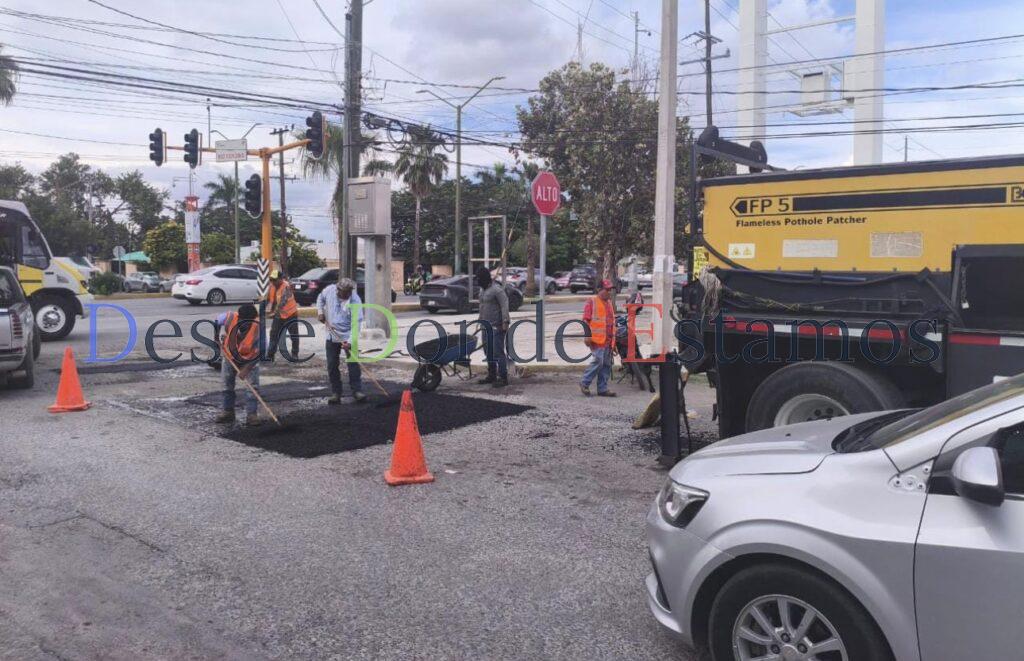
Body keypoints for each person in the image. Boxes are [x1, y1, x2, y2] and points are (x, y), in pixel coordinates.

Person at [317, 276, 366, 404]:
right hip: (332, 334)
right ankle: (336, 392)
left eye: (348, 293)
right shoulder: (329, 290)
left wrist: (350, 342)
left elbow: (356, 324)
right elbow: (320, 298)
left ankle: (357, 391)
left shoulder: (355, 300)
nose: (345, 295)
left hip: (349, 334)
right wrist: (320, 312)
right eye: (343, 292)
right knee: (332, 365)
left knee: (353, 364)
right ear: (338, 289)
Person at [215, 303, 263, 425]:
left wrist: (246, 369)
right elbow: (216, 321)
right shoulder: (230, 317)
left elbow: (261, 351)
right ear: (239, 317)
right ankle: (228, 412)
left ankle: (252, 415)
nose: (248, 324)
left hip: (249, 358)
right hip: (230, 356)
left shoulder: (258, 327)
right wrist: (216, 337)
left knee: (252, 387)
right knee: (227, 385)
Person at [580, 279, 617, 397]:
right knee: (598, 361)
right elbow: (585, 320)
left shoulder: (609, 303)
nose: (609, 292)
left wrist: (614, 342)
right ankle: (584, 382)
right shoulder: (592, 302)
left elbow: (611, 323)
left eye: (610, 290)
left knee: (606, 365)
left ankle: (602, 389)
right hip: (597, 340)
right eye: (607, 290)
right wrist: (587, 335)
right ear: (599, 289)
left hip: (608, 340)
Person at [476, 266, 509, 387]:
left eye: (479, 278)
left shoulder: (497, 290)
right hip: (485, 326)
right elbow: (481, 306)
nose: (478, 281)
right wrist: (479, 321)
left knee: (497, 352)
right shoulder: (482, 290)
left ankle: (503, 377)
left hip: (496, 326)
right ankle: (492, 375)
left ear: (485, 278)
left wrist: (505, 322)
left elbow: (504, 305)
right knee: (488, 351)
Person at [266, 268, 299, 361]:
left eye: (275, 280)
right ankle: (270, 355)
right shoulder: (272, 286)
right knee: (273, 334)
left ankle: (295, 355)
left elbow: (282, 303)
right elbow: (271, 300)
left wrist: (273, 313)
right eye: (271, 280)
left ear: (281, 279)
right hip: (279, 315)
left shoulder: (287, 287)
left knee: (294, 335)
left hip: (290, 314)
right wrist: (268, 310)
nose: (273, 282)